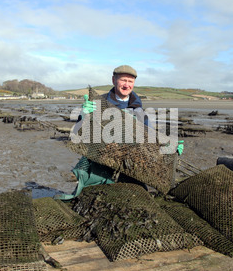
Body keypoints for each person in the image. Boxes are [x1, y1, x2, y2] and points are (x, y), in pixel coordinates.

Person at [54, 65, 183, 200]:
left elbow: (150, 141)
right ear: (114, 80)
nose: (126, 85)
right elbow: (78, 133)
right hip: (100, 164)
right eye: (123, 80)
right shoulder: (98, 103)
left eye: (130, 81)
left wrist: (169, 148)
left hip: (130, 168)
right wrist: (83, 115)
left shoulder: (139, 112)